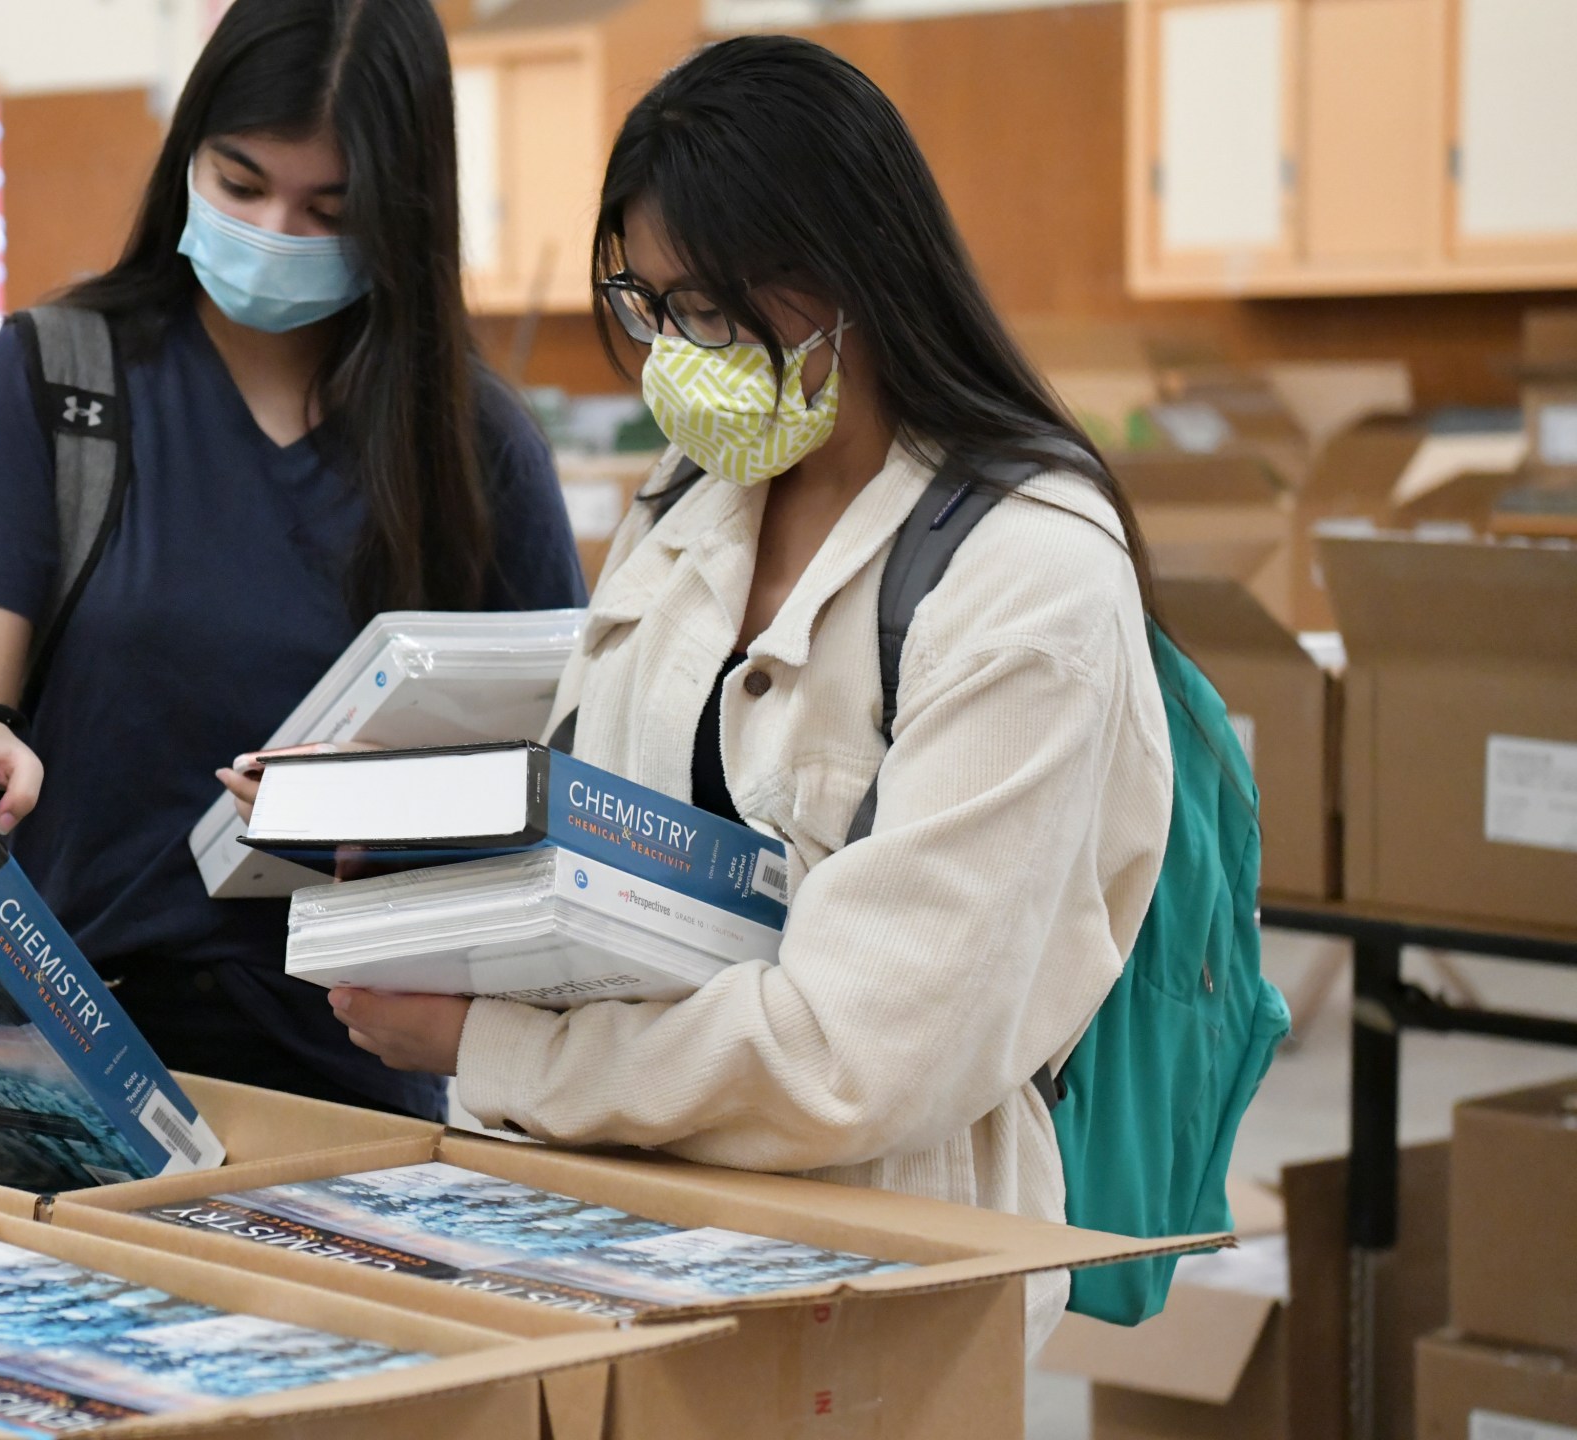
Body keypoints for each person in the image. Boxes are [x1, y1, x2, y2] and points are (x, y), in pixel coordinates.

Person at [330, 34, 1173, 1339]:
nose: (682, 352)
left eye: (717, 309)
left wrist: (485, 1046)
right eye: (654, 308)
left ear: (859, 274)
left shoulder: (1029, 576)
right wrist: (407, 830)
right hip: (607, 1224)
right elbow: (610, 833)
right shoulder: (692, 502)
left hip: (868, 1273)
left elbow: (855, 1056)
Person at [0, 0, 585, 1120]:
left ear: (401, 215)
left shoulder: (469, 444)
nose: (276, 234)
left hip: (350, 1069)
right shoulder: (57, 381)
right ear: (186, 154)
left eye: (328, 210)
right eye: (240, 186)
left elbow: (550, 781)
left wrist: (390, 815)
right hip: (72, 1048)